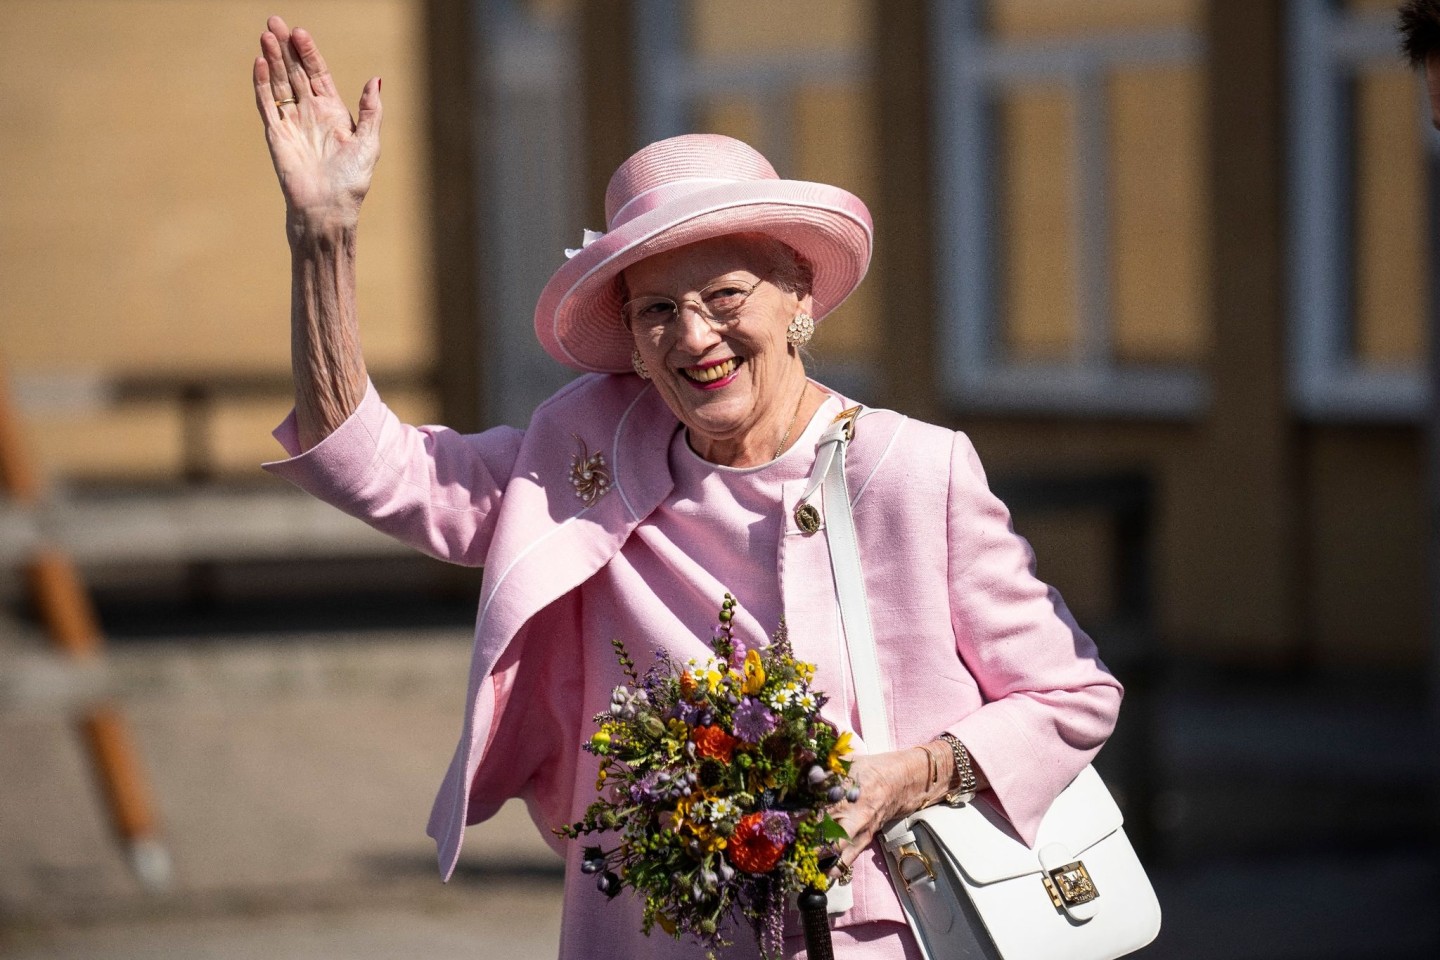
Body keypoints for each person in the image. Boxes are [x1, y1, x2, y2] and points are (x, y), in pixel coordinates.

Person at [252, 15, 1122, 959]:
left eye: (726, 297)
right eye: (658, 311)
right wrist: (322, 241)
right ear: (629, 338)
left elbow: (1071, 697)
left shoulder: (910, 470)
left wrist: (909, 775)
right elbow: (369, 466)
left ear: (799, 297)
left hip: (875, 934)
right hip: (650, 933)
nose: (694, 337)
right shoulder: (579, 454)